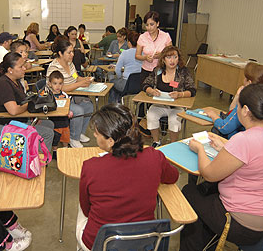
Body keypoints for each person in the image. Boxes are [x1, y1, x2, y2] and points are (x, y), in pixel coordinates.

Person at [180, 84, 263, 250]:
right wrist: (226, 148)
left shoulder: (244, 140)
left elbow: (209, 173)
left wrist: (199, 149)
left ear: (245, 110)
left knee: (190, 191)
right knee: (209, 192)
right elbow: (257, 159)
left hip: (244, 224)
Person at [76, 104, 179, 251]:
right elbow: (173, 176)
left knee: (81, 208)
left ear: (110, 140)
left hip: (101, 243)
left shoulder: (90, 167)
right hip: (144, 240)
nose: (94, 135)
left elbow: (87, 210)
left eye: (97, 133)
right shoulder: (154, 156)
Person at [0, 52, 54, 151]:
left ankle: (34, 154)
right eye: (21, 67)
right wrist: (29, 104)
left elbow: (22, 101)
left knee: (50, 124)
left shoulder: (15, 81)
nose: (24, 68)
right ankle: (36, 161)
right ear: (10, 70)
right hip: (6, 125)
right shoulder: (3, 84)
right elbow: (13, 111)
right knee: (47, 133)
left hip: (18, 120)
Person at [142, 45, 196, 147]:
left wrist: (180, 94)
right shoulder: (157, 70)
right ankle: (156, 141)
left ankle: (173, 145)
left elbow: (192, 90)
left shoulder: (183, 72)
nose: (172, 60)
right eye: (169, 57)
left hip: (177, 106)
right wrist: (152, 91)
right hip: (159, 104)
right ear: (163, 59)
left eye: (175, 57)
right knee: (151, 115)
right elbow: (145, 84)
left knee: (173, 120)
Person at [47, 35, 94, 148]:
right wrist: (80, 84)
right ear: (60, 53)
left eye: (72, 52)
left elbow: (75, 77)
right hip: (57, 99)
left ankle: (80, 133)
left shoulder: (70, 63)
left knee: (88, 105)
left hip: (70, 97)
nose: (72, 54)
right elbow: (60, 88)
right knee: (78, 110)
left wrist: (86, 80)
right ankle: (73, 138)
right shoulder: (54, 67)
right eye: (69, 52)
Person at [205, 62, 263, 139]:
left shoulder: (246, 102)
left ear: (249, 83)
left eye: (245, 78)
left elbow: (224, 127)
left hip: (239, 140)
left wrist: (214, 116)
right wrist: (237, 96)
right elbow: (232, 111)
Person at [136, 11, 172, 86]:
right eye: (147, 25)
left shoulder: (165, 36)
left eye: (152, 24)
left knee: (159, 93)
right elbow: (137, 56)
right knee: (144, 93)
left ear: (157, 23)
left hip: (161, 71)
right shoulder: (142, 37)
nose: (149, 28)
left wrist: (161, 55)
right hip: (146, 71)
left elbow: (171, 54)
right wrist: (145, 57)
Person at [108, 30, 142, 103]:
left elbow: (117, 70)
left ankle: (114, 106)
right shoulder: (143, 53)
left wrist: (120, 78)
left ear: (129, 42)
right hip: (140, 84)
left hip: (126, 83)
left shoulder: (125, 53)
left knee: (112, 83)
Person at [47, 70, 73, 152]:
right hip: (54, 121)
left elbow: (68, 105)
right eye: (55, 83)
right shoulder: (48, 96)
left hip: (64, 121)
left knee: (65, 137)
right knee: (55, 138)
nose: (58, 86)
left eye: (60, 83)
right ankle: (55, 151)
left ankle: (65, 150)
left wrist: (69, 111)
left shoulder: (64, 95)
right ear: (50, 84)